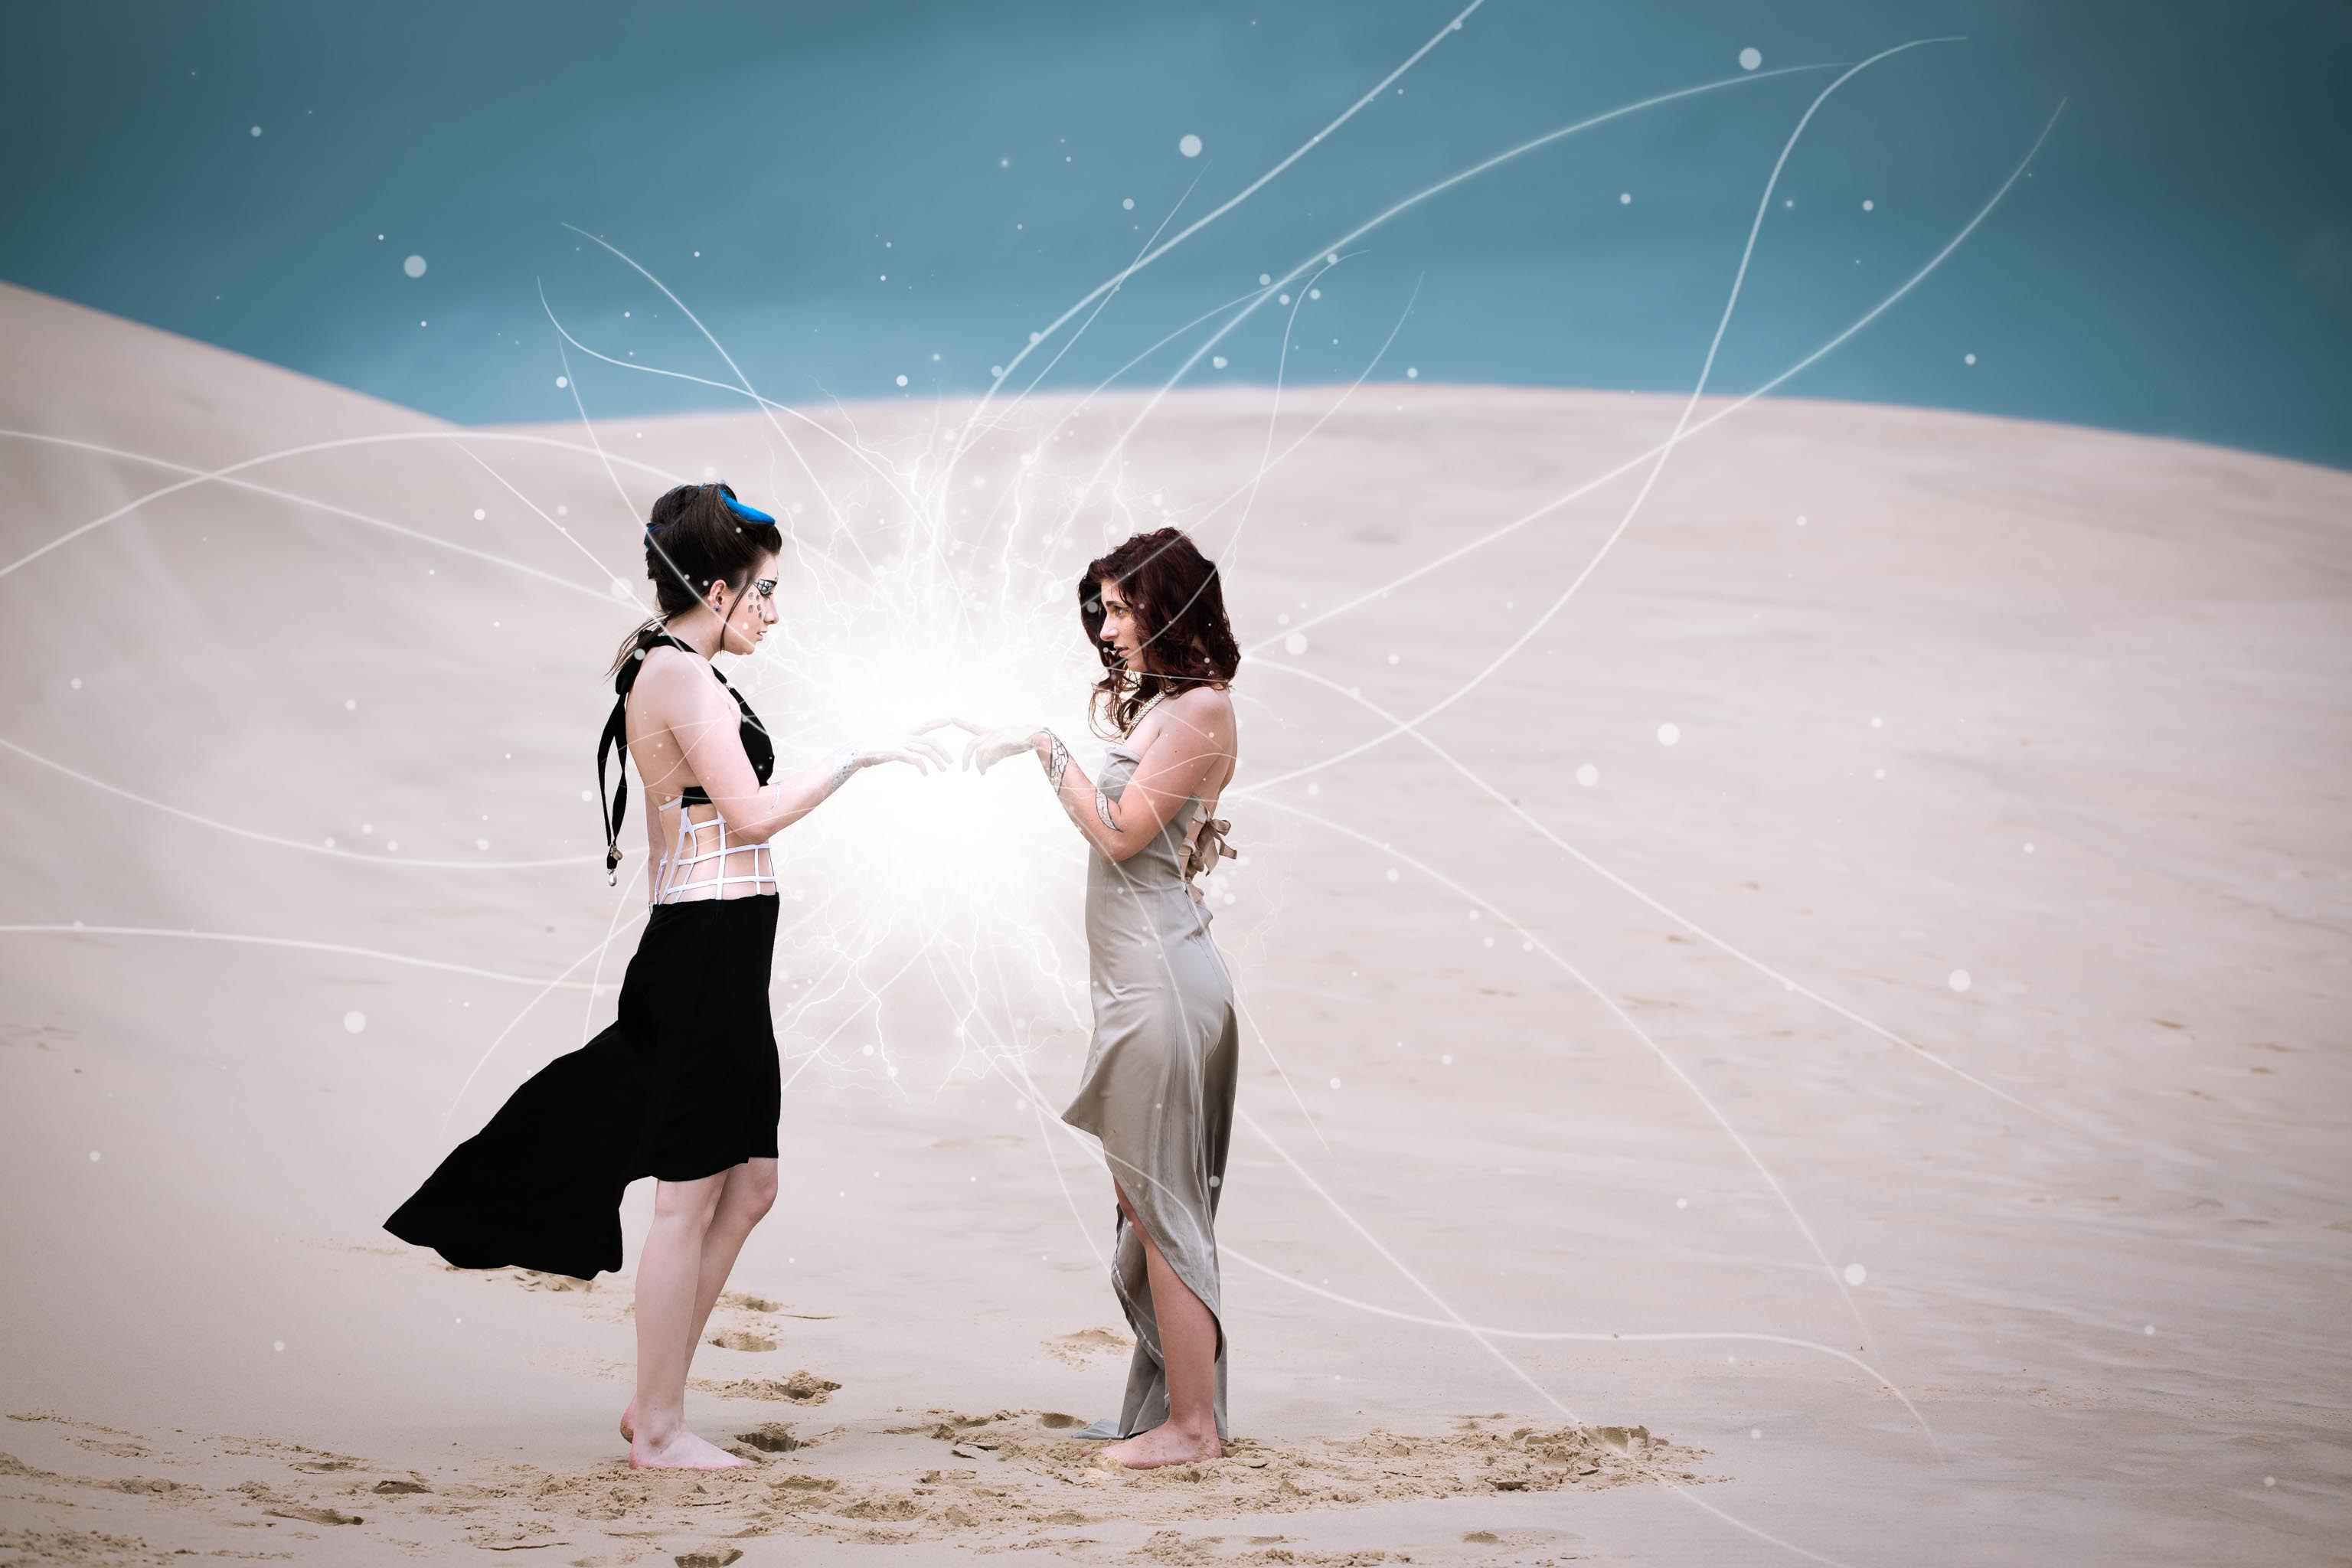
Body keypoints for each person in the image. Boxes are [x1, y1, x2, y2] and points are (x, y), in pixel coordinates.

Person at [386, 481, 948, 1470]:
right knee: (687, 1200)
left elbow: (665, 842)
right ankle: (658, 1427)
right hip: (706, 959)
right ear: (721, 589)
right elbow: (754, 814)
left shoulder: (673, 668)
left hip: (714, 954)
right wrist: (860, 757)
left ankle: (658, 1398)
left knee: (754, 1183)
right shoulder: (681, 677)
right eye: (765, 592)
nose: (774, 613)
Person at [956, 527, 1242, 1469]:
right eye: (1107, 608)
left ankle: (1191, 1427)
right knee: (1144, 1197)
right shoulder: (1169, 705)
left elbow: (1121, 834)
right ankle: (1166, 1404)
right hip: (1137, 979)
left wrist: (1045, 747)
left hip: (1163, 980)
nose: (1108, 626)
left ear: (1170, 606)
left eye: (1123, 607)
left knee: (1162, 1202)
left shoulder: (1200, 709)